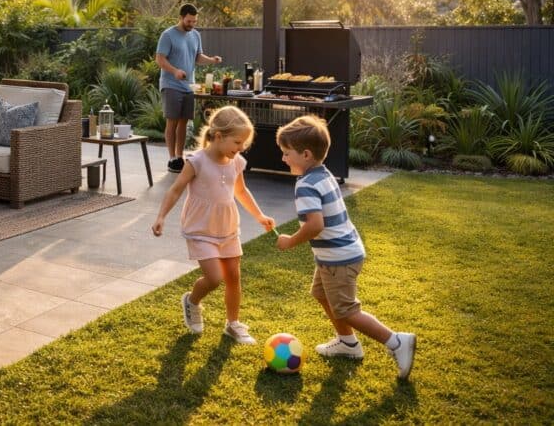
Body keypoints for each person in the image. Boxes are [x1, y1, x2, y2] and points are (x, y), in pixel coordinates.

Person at [275, 115, 417, 379]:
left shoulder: (305, 185)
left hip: (338, 258)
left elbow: (315, 225)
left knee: (347, 309)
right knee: (321, 293)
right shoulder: (324, 173)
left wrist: (290, 240)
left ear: (305, 154)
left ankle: (397, 342)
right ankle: (348, 343)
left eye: (286, 153)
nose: (283, 159)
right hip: (343, 252)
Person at [151, 106, 276, 343]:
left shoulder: (236, 162)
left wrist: (259, 216)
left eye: (243, 144)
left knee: (233, 277)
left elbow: (240, 190)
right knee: (214, 278)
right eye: (237, 142)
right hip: (200, 228)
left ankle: (232, 324)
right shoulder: (196, 161)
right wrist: (161, 216)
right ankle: (192, 301)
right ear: (218, 136)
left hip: (227, 227)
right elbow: (176, 189)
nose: (240, 148)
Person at [155, 3, 222, 173]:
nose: (192, 24)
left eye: (194, 21)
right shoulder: (168, 35)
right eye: (189, 21)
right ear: (181, 17)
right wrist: (174, 71)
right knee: (172, 121)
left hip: (188, 86)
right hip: (171, 84)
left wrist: (212, 60)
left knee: (184, 121)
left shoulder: (195, 35)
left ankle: (180, 156)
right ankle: (172, 158)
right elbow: (160, 60)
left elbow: (198, 57)